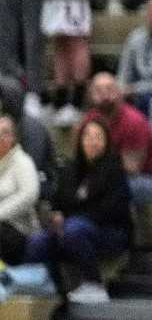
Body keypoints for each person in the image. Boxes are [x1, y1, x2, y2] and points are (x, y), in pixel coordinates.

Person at [24, 117, 131, 304]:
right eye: (87, 137)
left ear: (106, 142)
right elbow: (59, 200)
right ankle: (49, 288)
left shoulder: (115, 169)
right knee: (37, 242)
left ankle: (95, 285)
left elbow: (113, 210)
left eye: (98, 137)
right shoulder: (71, 169)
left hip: (109, 231)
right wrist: (57, 214)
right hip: (73, 228)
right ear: (80, 141)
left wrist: (73, 218)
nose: (92, 142)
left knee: (74, 229)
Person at [83, 72, 152, 206]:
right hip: (105, 176)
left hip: (145, 180)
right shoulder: (89, 120)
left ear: (119, 92)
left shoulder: (134, 121)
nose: (104, 95)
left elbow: (132, 167)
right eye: (98, 90)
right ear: (90, 95)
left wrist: (98, 159)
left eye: (109, 89)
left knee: (108, 188)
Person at [0, 113, 40, 265]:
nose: (1, 137)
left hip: (20, 231)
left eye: (5, 133)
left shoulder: (22, 162)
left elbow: (29, 195)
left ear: (13, 138)